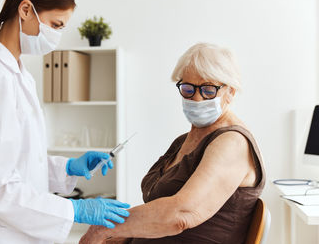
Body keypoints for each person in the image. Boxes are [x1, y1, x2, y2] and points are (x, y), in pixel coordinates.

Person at [0, 0, 130, 243]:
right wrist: (73, 209)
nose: (56, 36)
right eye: (56, 25)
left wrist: (68, 167)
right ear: (25, 10)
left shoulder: (19, 75)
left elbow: (17, 164)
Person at [79, 43, 266, 244]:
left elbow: (182, 213)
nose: (196, 98)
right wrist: (122, 236)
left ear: (230, 92)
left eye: (209, 90)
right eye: (187, 89)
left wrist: (102, 230)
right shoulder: (184, 140)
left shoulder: (233, 143)